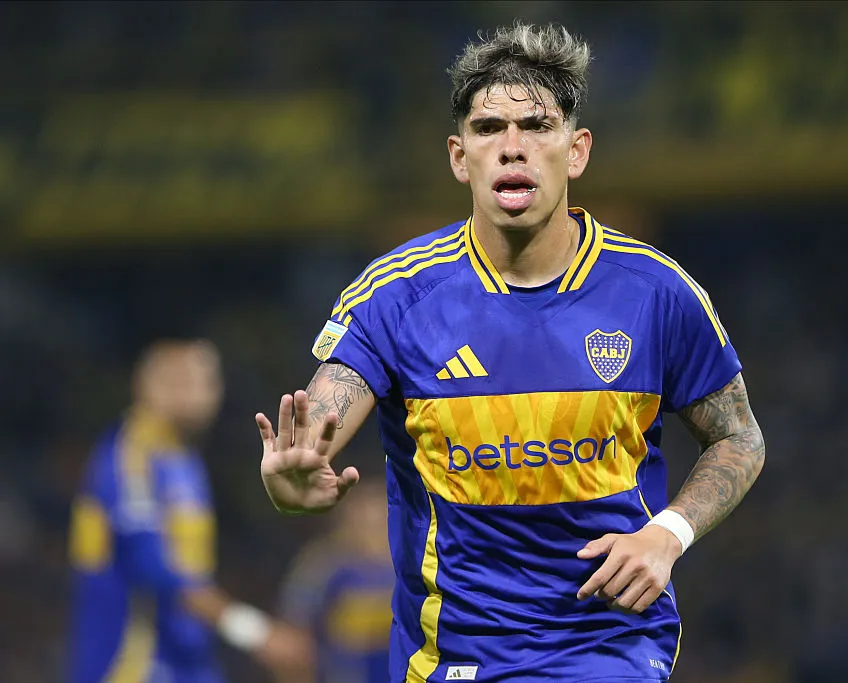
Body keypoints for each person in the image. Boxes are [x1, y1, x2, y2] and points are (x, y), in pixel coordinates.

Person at [256, 21, 765, 683]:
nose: (512, 148)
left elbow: (739, 436)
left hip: (608, 647)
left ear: (576, 150)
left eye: (537, 126)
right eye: (489, 129)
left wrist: (668, 533)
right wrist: (293, 476)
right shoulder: (396, 296)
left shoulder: (656, 294)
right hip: (452, 659)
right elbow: (323, 418)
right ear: (459, 156)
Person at [67, 339, 312, 683]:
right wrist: (255, 632)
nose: (199, 394)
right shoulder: (130, 458)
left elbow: (193, 573)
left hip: (187, 659)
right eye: (180, 381)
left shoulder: (183, 459)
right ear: (145, 386)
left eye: (208, 381)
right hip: (133, 661)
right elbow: (157, 573)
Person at [276, 476, 393, 683]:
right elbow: (293, 640)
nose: (373, 532)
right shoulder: (321, 565)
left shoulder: (416, 565)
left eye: (380, 521)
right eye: (363, 521)